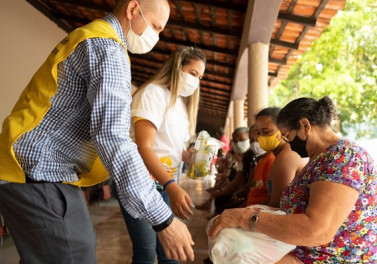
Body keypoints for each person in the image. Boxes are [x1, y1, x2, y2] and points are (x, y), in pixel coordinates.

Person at [0, 0, 195, 262]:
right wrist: (163, 219)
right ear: (133, 10)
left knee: (64, 249)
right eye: (156, 27)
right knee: (75, 253)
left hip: (42, 170)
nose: (156, 37)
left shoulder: (91, 36)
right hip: (38, 170)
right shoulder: (108, 48)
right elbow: (113, 138)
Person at [208, 96, 377, 263]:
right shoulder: (319, 159)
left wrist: (245, 217)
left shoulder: (344, 159)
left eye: (286, 136)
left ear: (305, 126)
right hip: (301, 250)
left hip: (331, 257)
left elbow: (317, 230)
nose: (286, 142)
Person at [112, 46, 206, 263]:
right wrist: (172, 186)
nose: (196, 81)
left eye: (200, 77)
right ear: (177, 67)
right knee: (146, 252)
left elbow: (166, 147)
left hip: (162, 183)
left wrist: (188, 156)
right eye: (193, 74)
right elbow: (143, 147)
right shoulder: (153, 93)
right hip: (142, 183)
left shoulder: (180, 104)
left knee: (169, 252)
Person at [246, 107, 305, 208]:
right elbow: (271, 199)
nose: (259, 138)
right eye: (258, 133)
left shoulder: (286, 157)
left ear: (283, 130)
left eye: (266, 132)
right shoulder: (278, 155)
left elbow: (278, 205)